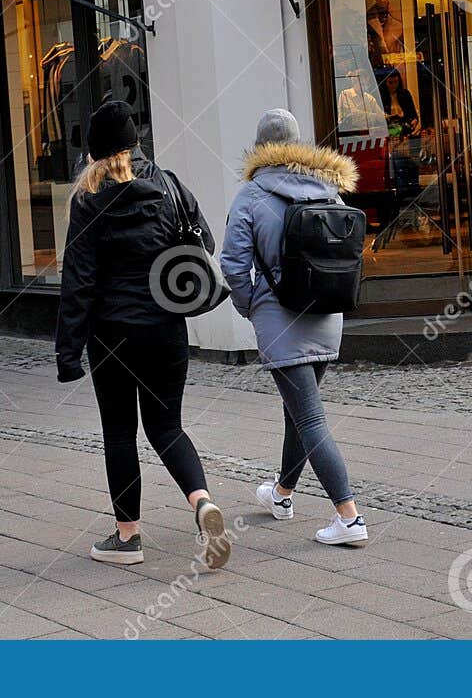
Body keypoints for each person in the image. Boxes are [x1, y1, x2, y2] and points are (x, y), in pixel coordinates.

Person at [55, 99, 231, 569]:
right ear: (135, 144)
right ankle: (202, 503)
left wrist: (68, 353)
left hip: (111, 335)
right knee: (167, 425)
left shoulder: (87, 200)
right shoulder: (169, 185)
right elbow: (204, 243)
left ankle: (128, 536)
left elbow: (79, 280)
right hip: (165, 329)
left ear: (93, 153)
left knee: (119, 430)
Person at [219, 109, 370, 547]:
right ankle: (282, 495)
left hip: (280, 320)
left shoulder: (252, 195)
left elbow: (232, 264)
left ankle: (350, 517)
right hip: (327, 313)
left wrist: (252, 308)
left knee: (310, 418)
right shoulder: (330, 189)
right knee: (298, 413)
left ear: (261, 146)